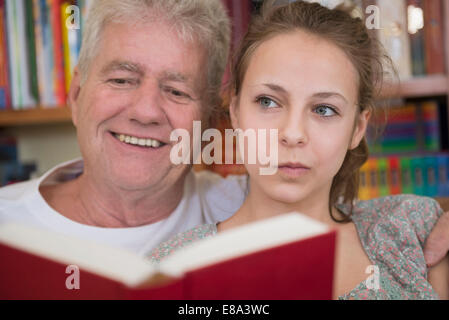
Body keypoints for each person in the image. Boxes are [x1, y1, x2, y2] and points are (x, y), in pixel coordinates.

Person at [150, 0, 449, 299]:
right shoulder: (172, 270)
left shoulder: (414, 230)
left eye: (324, 109)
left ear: (358, 128)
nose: (293, 134)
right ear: (236, 113)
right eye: (268, 101)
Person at [0, 0, 247, 255]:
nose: (146, 112)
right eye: (121, 80)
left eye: (177, 91)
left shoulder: (253, 210)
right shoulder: (5, 223)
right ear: (76, 94)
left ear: (209, 120)